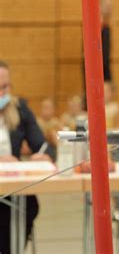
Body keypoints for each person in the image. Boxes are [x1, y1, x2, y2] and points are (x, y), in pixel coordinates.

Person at [0, 61, 53, 254]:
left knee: (29, 205)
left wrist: (42, 156)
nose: (1, 93)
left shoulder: (20, 108)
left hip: (14, 190)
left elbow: (43, 146)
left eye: (5, 87)